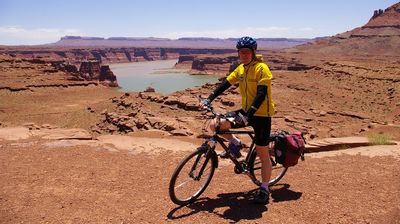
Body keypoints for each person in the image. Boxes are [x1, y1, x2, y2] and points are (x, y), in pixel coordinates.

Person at [200, 36, 275, 205]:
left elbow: (262, 94)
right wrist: (209, 98)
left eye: (247, 52)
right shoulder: (241, 69)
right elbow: (225, 84)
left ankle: (264, 188)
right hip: (246, 112)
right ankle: (235, 143)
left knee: (263, 154)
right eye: (241, 52)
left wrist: (250, 114)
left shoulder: (262, 68)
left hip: (262, 115)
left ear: (253, 52)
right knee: (216, 124)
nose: (244, 55)